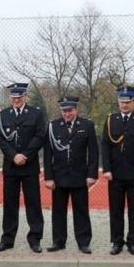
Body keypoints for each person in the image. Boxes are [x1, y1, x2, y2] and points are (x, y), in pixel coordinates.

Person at [0, 82, 46, 253]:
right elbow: (1, 138)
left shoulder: (36, 113)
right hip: (11, 166)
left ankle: (35, 239)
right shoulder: (3, 115)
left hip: (29, 166)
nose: (16, 99)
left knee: (33, 204)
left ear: (25, 96)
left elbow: (40, 135)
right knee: (10, 205)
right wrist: (13, 156)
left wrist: (25, 155)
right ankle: (7, 239)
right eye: (14, 97)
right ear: (10, 97)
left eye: (20, 97)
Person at [44, 96, 98, 254]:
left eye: (70, 110)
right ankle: (59, 241)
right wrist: (48, 177)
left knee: (81, 211)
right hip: (59, 176)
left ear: (76, 109)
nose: (67, 114)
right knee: (58, 211)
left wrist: (91, 174)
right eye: (64, 111)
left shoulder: (87, 125)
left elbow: (93, 152)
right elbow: (48, 154)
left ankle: (83, 242)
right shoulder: (53, 126)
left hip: (79, 176)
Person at [101, 86, 134, 255]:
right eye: (121, 102)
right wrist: (106, 169)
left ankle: (133, 242)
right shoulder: (110, 120)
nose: (124, 105)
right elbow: (105, 146)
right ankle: (117, 241)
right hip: (115, 174)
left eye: (127, 102)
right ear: (118, 102)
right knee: (116, 210)